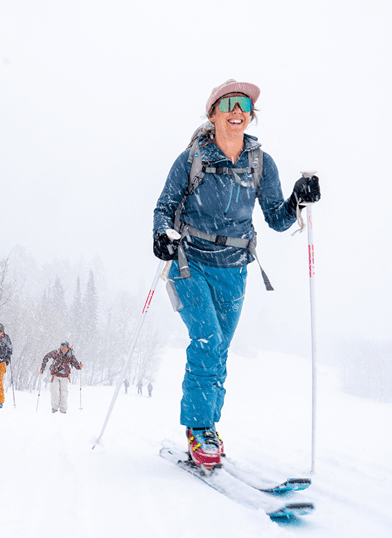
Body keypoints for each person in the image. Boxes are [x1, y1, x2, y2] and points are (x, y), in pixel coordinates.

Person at [152, 79, 320, 470]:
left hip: (234, 269)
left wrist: (298, 198)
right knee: (208, 341)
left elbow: (278, 219)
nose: (237, 109)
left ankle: (207, 425)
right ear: (213, 114)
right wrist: (161, 234)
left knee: (219, 350)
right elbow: (164, 206)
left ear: (250, 114)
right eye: (227, 102)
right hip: (189, 262)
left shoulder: (261, 163)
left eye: (244, 103)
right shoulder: (191, 159)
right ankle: (198, 429)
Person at [40, 342, 83, 413]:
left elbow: (76, 365)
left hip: (65, 376)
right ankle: (54, 408)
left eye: (65, 349)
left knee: (64, 393)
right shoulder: (56, 353)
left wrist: (79, 366)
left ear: (68, 349)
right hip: (55, 375)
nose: (63, 350)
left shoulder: (71, 356)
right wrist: (42, 367)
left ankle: (63, 410)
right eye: (62, 348)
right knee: (54, 392)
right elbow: (46, 357)